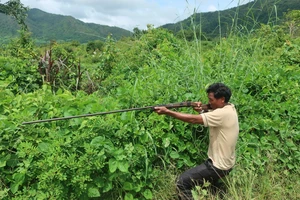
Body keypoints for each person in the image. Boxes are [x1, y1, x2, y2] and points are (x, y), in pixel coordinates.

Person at [153, 83, 239, 200]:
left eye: (211, 100)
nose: (209, 102)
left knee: (182, 183)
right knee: (209, 187)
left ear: (222, 99)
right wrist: (201, 109)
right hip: (227, 163)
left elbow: (193, 119)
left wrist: (168, 112)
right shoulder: (230, 107)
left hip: (218, 166)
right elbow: (211, 115)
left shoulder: (222, 113)